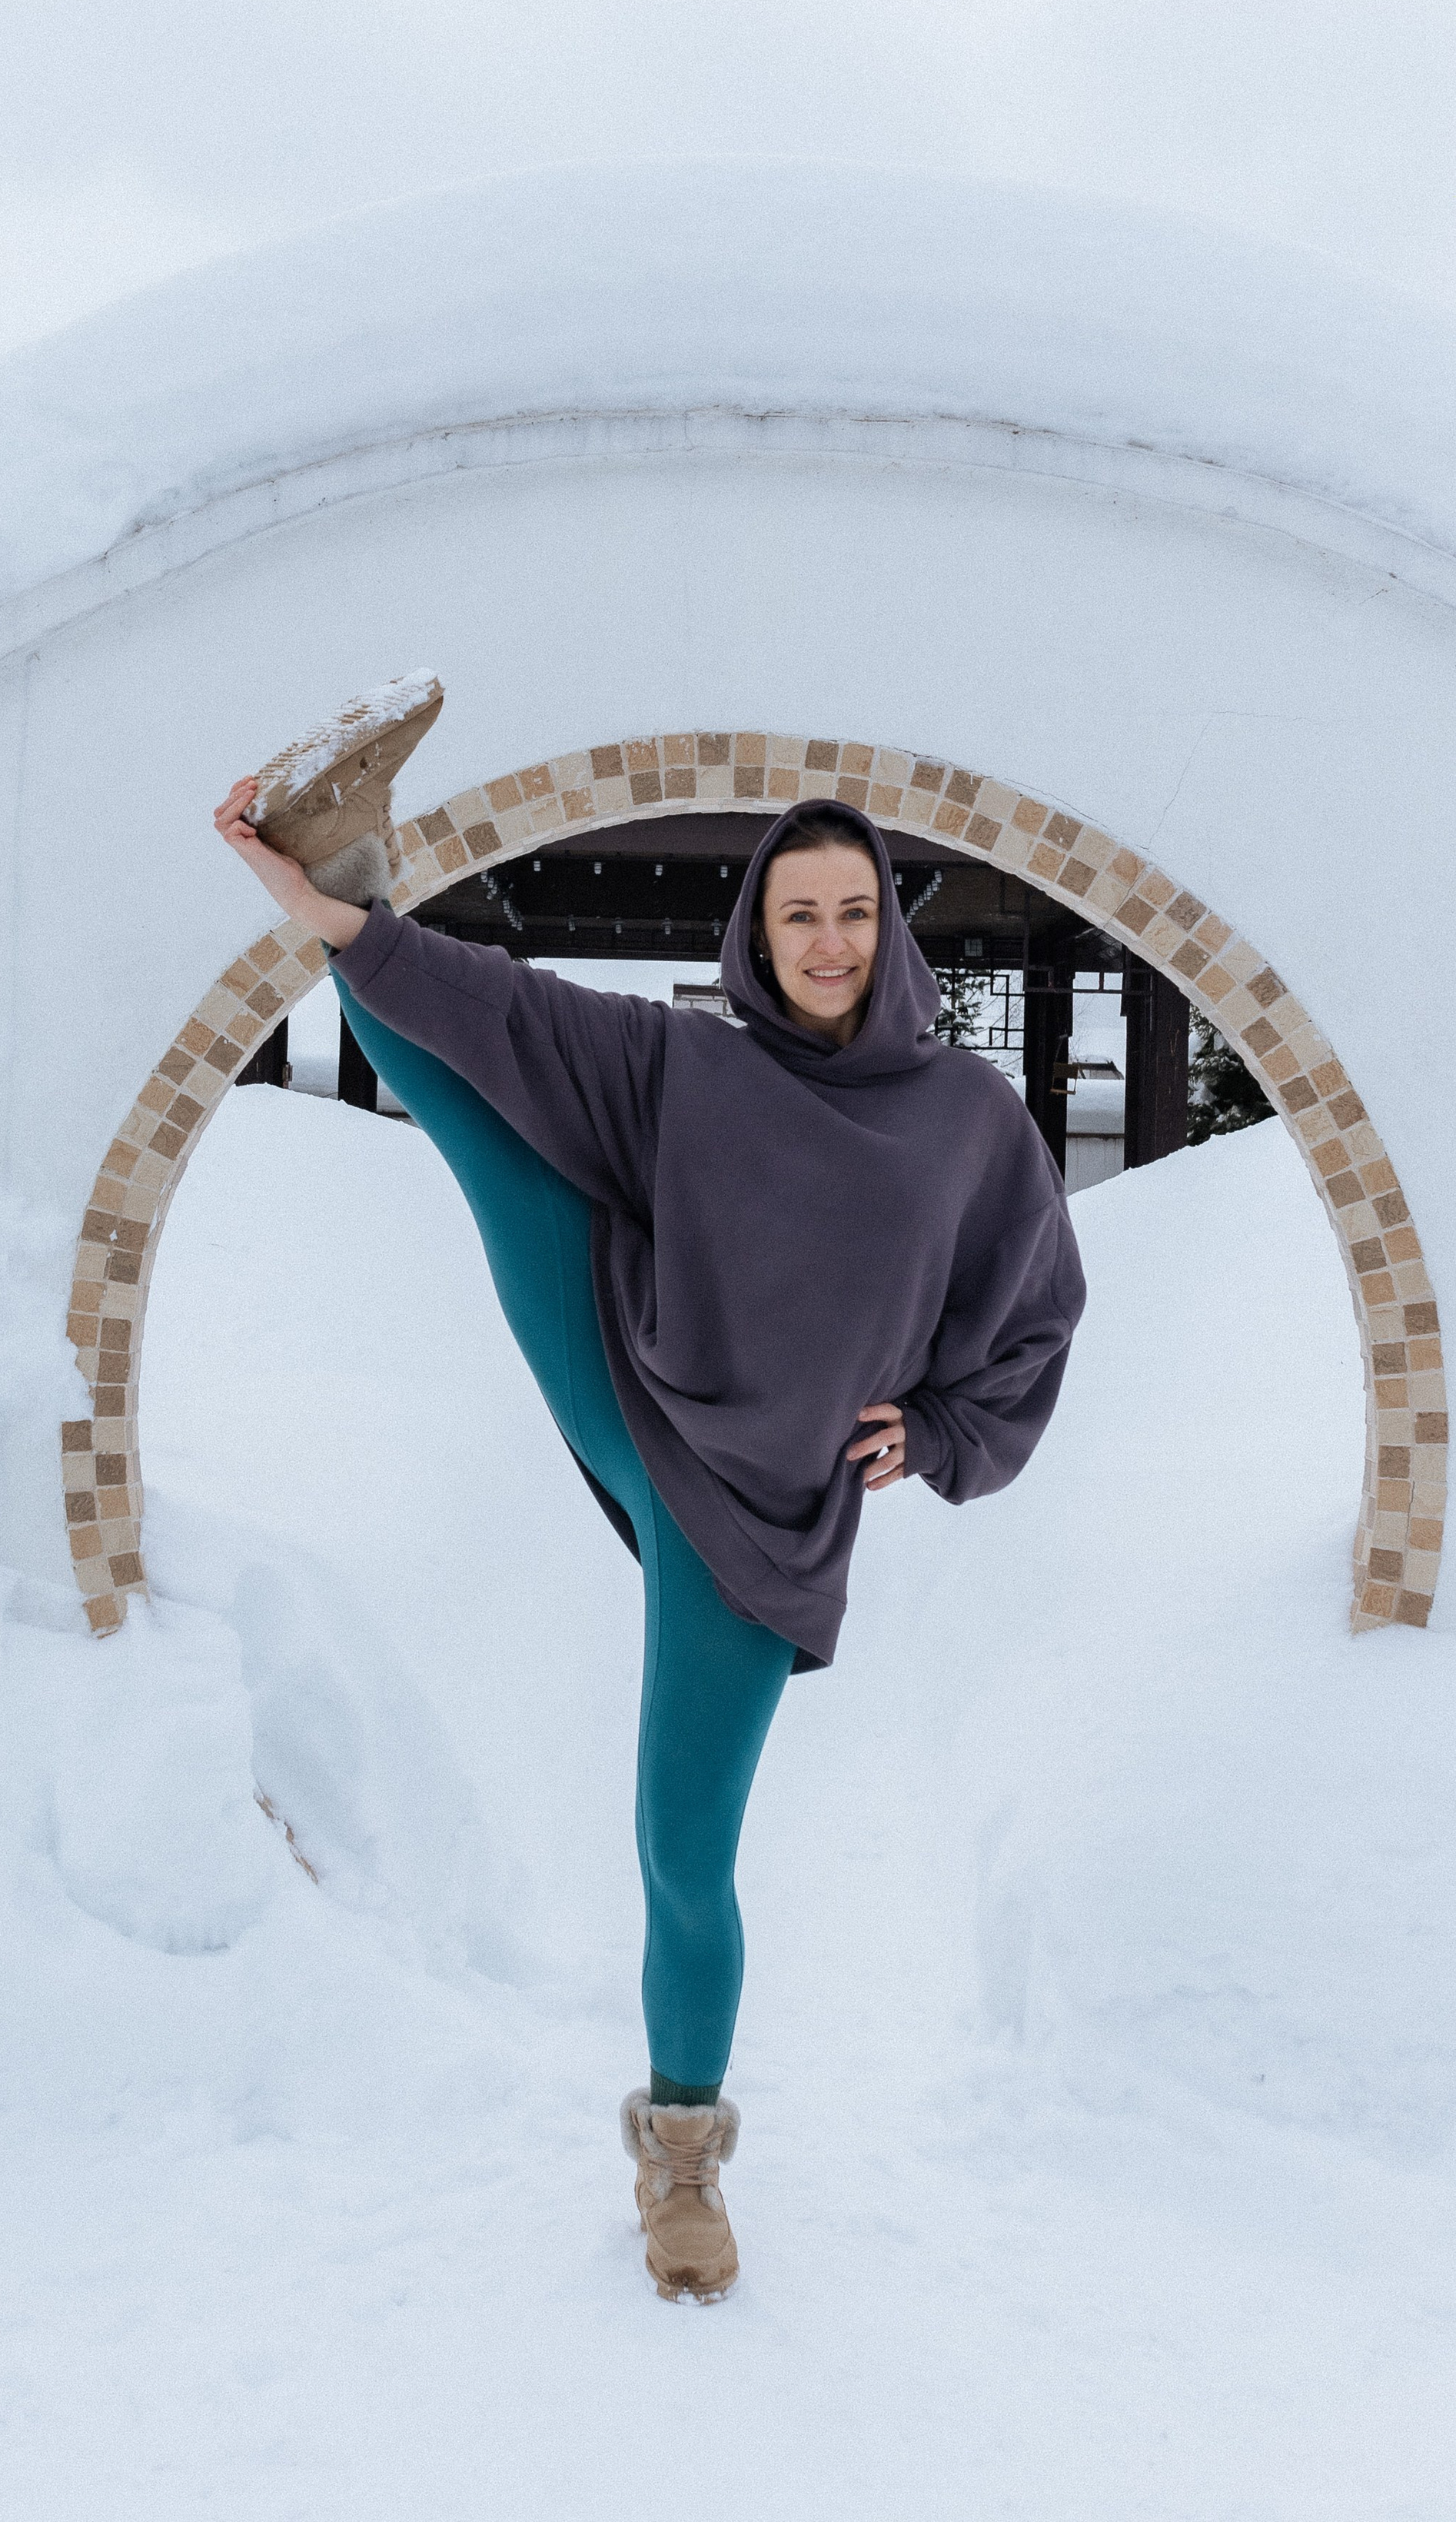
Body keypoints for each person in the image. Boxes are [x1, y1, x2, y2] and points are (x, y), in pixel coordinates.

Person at [215, 679, 1086, 2304]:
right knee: (480, 1120)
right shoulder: (694, 1068)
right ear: (756, 935)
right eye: (793, 914)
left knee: (680, 1845)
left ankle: (677, 2143)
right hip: (632, 1377)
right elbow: (512, 1016)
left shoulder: (971, 1126)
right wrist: (304, 902)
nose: (824, 940)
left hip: (759, 1526)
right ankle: (347, 872)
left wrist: (945, 1436)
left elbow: (1033, 1320)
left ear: (884, 927)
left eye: (848, 911)